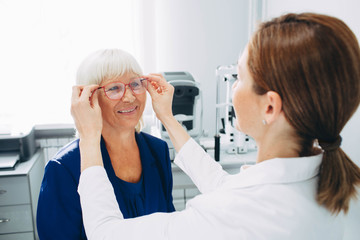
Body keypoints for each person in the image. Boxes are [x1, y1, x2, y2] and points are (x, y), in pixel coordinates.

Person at [73, 13, 360, 239]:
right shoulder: (344, 184)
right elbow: (224, 186)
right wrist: (169, 119)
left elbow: (105, 233)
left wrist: (88, 137)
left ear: (269, 107)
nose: (233, 88)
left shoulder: (232, 215)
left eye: (239, 77)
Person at [36, 49, 175, 239]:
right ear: (89, 98)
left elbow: (168, 225)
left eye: (135, 84)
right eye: (114, 88)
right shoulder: (64, 168)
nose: (129, 97)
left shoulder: (158, 150)